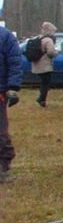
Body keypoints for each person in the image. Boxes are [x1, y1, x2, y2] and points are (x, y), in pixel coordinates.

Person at [0, 26, 22, 184]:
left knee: (0, 132)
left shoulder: (5, 36)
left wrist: (13, 87)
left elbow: (14, 62)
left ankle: (4, 166)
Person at [31, 22, 59, 108]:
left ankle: (41, 98)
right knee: (45, 84)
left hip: (37, 64)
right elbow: (50, 52)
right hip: (45, 65)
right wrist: (57, 52)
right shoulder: (48, 40)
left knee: (43, 82)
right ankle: (42, 99)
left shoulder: (39, 38)